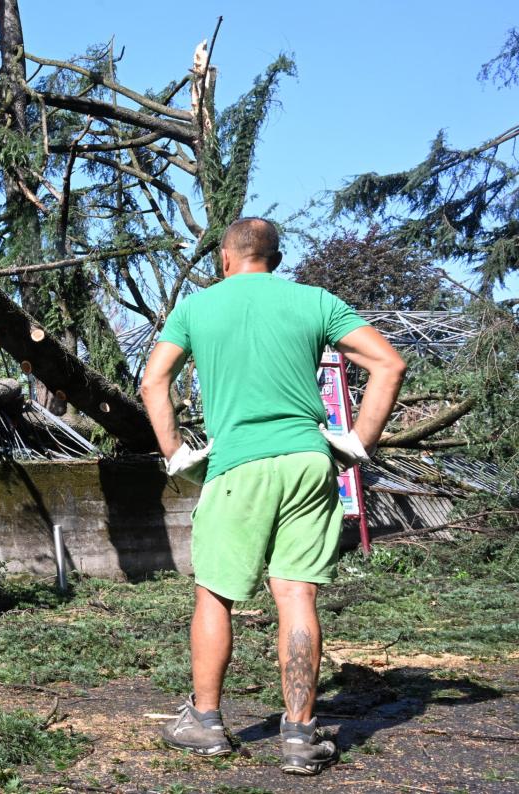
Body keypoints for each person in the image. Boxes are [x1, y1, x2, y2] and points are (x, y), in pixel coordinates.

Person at [139, 217, 406, 776]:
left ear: (225, 260)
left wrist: (174, 454)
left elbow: (153, 381)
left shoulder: (196, 308)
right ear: (276, 260)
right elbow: (388, 363)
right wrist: (358, 444)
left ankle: (205, 722)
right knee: (295, 595)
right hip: (309, 461)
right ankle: (300, 738)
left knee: (215, 593)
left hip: (239, 465)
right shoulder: (315, 301)